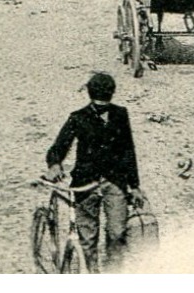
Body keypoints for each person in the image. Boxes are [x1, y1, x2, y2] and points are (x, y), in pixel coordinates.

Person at [45, 72, 144, 270]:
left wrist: (134, 186)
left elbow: (128, 150)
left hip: (114, 182)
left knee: (117, 232)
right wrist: (55, 164)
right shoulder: (78, 118)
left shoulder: (120, 114)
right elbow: (59, 147)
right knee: (87, 239)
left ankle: (113, 272)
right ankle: (91, 273)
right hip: (85, 184)